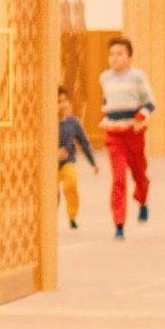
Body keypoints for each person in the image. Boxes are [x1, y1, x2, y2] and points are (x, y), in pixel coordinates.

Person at [98, 35, 155, 238]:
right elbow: (108, 103)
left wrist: (141, 116)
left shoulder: (138, 77)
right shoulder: (104, 77)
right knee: (119, 178)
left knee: (139, 173)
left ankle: (142, 199)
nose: (115, 58)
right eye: (111, 54)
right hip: (114, 134)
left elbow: (150, 103)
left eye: (120, 54)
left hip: (133, 132)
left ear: (129, 57)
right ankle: (119, 223)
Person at [57, 86, 97, 227]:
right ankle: (51, 216)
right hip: (50, 165)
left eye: (64, 101)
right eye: (59, 102)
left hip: (68, 162)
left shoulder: (73, 122)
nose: (63, 105)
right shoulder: (47, 123)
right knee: (52, 192)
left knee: (71, 185)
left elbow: (84, 143)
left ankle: (72, 216)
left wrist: (93, 163)